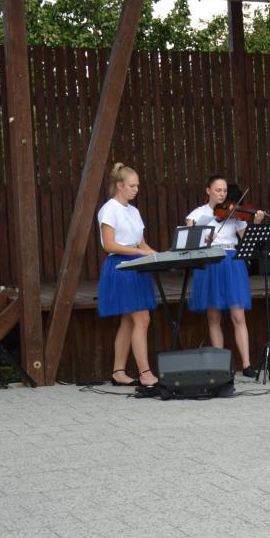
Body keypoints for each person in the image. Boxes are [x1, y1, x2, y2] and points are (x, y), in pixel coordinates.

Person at [185, 175, 264, 377]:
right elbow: (188, 243)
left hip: (231, 261)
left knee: (238, 315)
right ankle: (220, 366)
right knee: (214, 316)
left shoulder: (234, 213)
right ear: (208, 191)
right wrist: (205, 239)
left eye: (224, 191)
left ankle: (246, 364)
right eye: (218, 190)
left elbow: (247, 240)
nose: (222, 194)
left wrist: (255, 223)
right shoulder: (196, 214)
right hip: (210, 261)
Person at [96, 163, 159, 388]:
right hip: (121, 267)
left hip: (137, 266)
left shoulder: (134, 211)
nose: (136, 190)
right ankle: (145, 374)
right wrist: (140, 252)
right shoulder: (109, 209)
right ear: (120, 185)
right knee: (142, 318)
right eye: (132, 186)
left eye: (138, 186)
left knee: (129, 321)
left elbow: (142, 244)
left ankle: (118, 372)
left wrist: (157, 255)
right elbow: (109, 245)